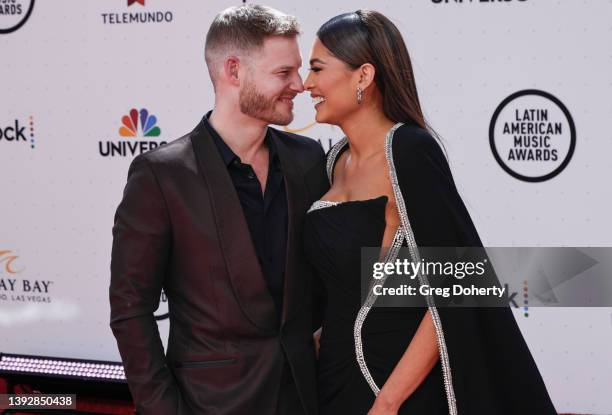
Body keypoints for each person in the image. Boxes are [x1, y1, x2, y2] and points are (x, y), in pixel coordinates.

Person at [302, 10, 558, 415]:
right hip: (331, 386)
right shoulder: (332, 161)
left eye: (317, 68)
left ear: (363, 76)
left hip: (393, 391)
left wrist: (388, 402)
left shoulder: (409, 150)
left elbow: (456, 287)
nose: (306, 84)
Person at [109, 5, 328, 414]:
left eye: (298, 70)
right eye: (283, 73)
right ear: (233, 71)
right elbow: (130, 309)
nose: (299, 85)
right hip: (208, 403)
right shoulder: (162, 176)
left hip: (304, 399)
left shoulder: (308, 160)